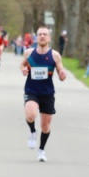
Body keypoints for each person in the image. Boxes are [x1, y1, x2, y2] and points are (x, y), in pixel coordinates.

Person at [21, 25, 67, 161]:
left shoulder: (55, 55)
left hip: (47, 93)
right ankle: (32, 132)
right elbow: (23, 65)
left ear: (49, 38)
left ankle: (41, 150)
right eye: (40, 34)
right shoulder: (29, 53)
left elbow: (61, 72)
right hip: (31, 90)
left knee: (45, 126)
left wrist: (62, 74)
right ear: (36, 37)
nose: (42, 36)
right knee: (30, 114)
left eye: (44, 34)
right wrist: (23, 69)